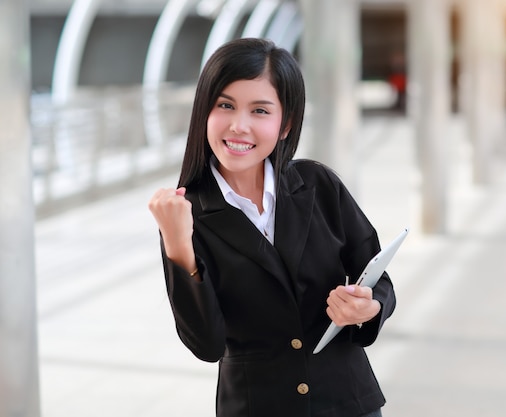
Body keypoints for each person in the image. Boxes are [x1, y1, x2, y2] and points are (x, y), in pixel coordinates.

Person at [148, 38, 396, 417]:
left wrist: (368, 306)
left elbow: (379, 279)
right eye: (225, 105)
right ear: (204, 112)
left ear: (286, 124)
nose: (239, 126)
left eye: (260, 110)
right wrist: (179, 245)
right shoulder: (184, 213)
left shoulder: (319, 186)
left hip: (348, 402)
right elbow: (206, 345)